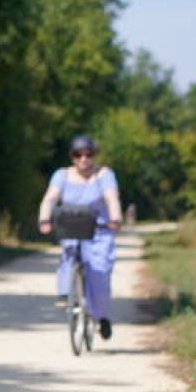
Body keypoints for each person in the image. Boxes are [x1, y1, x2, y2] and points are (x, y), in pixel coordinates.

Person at [37, 134, 123, 339]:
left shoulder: (103, 175)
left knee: (99, 273)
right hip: (73, 228)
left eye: (88, 154)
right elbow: (49, 199)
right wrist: (44, 219)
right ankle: (65, 293)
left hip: (99, 231)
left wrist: (116, 218)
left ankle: (102, 316)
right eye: (78, 155)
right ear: (72, 157)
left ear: (94, 156)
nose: (84, 159)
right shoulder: (62, 176)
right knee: (69, 254)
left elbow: (112, 199)